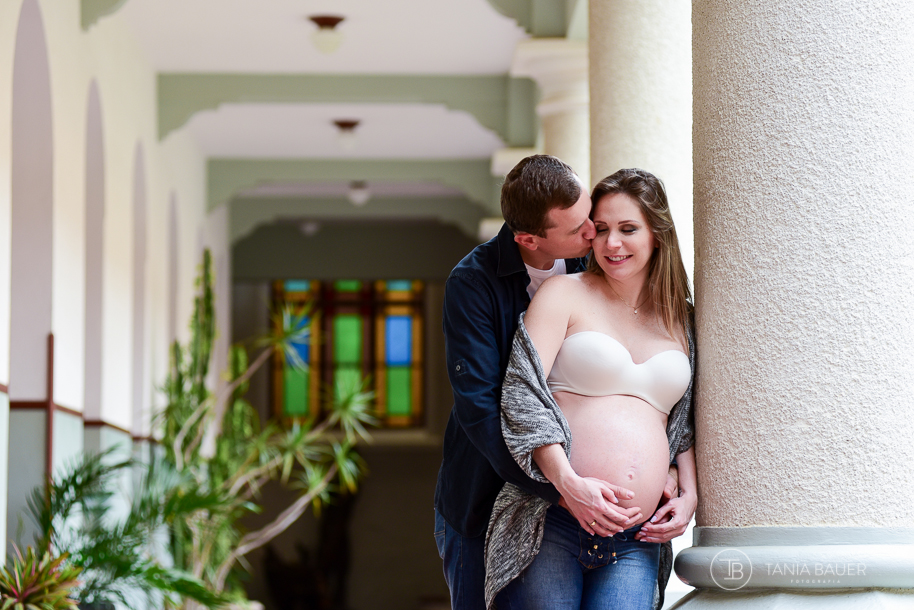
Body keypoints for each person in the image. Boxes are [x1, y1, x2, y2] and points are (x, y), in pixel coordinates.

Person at [434, 155, 649, 610]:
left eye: (588, 215)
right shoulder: (471, 285)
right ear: (528, 240)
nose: (594, 233)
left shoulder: (596, 263)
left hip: (581, 516)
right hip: (483, 497)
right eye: (576, 231)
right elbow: (480, 406)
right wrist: (561, 488)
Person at [486, 168, 697, 610]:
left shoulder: (683, 317)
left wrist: (690, 492)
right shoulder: (564, 293)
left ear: (657, 234)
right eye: (600, 230)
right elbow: (521, 395)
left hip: (638, 536)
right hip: (553, 521)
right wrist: (567, 485)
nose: (611, 243)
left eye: (627, 229)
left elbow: (686, 422)